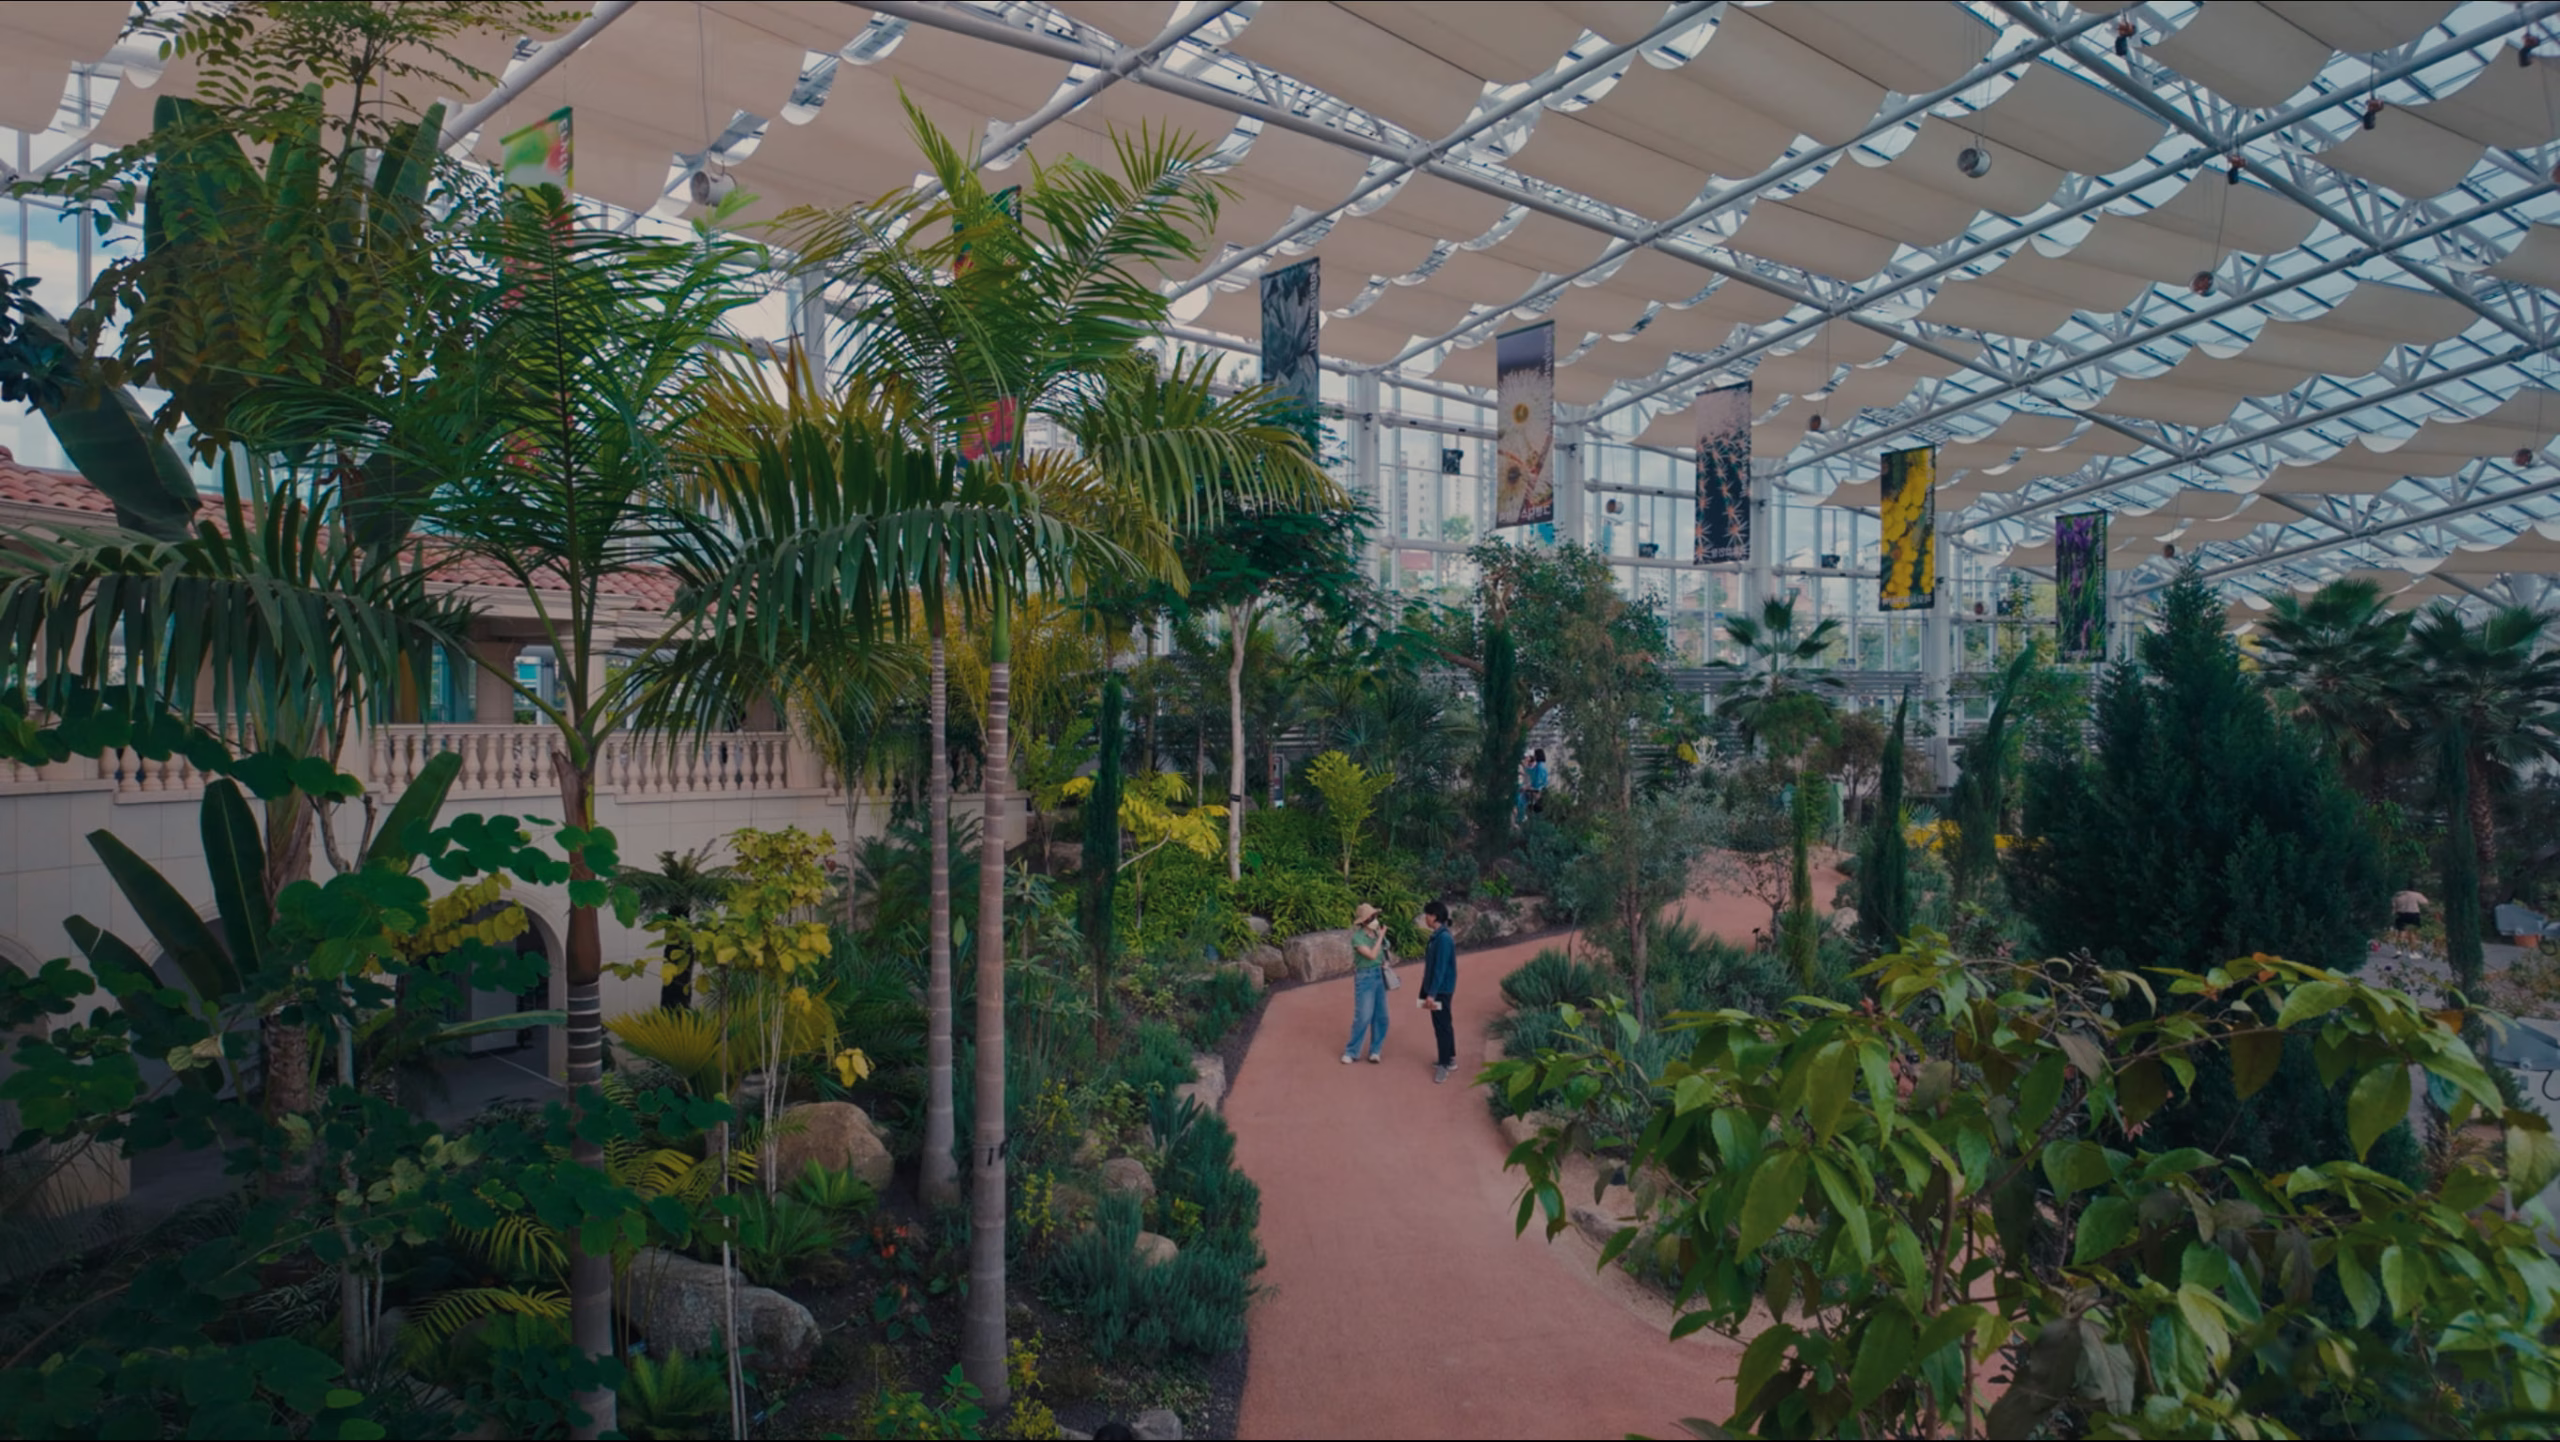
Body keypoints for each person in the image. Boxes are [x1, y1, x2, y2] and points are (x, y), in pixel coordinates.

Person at [1417, 899, 1459, 1083]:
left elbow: (1440, 968)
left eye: (1427, 914)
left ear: (1434, 917)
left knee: (1441, 1026)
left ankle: (1444, 1064)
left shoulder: (1443, 939)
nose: (1425, 918)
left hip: (1441, 990)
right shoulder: (1439, 936)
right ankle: (1449, 1058)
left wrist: (1432, 993)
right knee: (1443, 1024)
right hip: (1439, 988)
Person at [1342, 901, 1389, 1065]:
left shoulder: (1375, 935)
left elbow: (1382, 953)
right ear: (1363, 922)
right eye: (1370, 918)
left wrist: (1382, 941)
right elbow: (1371, 954)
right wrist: (1382, 936)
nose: (1374, 920)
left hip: (1378, 975)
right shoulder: (1358, 938)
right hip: (1365, 977)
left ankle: (1375, 1050)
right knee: (1363, 1016)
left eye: (1375, 917)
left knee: (1381, 1016)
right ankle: (1351, 1051)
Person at [2390, 885, 2429, 956]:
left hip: (2401, 914)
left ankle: (2399, 950)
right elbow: (2425, 902)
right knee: (2413, 933)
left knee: (2401, 932)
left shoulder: (2397, 894)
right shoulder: (2416, 894)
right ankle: (2413, 951)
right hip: (2413, 914)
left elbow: (2393, 905)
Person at [1515, 748, 1550, 825]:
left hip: (1536, 792)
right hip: (1535, 791)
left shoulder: (1540, 767)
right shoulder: (1540, 766)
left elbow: (1537, 783)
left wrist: (1528, 788)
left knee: (1521, 801)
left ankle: (1521, 818)